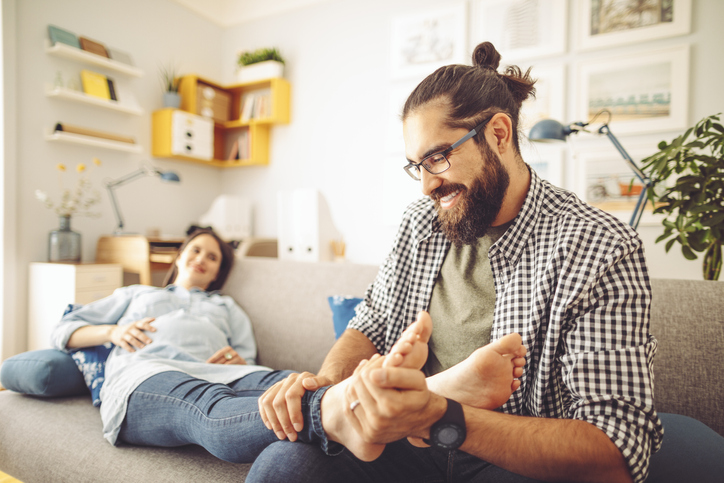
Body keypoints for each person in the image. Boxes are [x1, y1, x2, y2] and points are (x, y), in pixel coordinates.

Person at [249, 42, 663, 483]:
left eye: (438, 157)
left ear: (499, 134)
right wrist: (329, 388)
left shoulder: (600, 245)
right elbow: (371, 323)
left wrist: (438, 416)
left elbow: (616, 452)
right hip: (403, 444)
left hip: (509, 452)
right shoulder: (420, 222)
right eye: (417, 166)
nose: (427, 185)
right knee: (283, 466)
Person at [50, 227, 526, 464]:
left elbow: (252, 360)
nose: (201, 258)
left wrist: (239, 360)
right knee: (205, 409)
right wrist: (111, 334)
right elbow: (64, 331)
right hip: (149, 375)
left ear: (218, 272)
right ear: (179, 257)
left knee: (285, 385)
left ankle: (425, 398)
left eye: (212, 257)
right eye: (195, 249)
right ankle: (376, 404)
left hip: (230, 373)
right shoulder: (137, 294)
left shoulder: (226, 309)